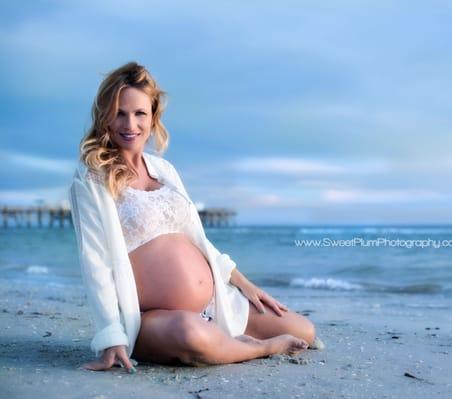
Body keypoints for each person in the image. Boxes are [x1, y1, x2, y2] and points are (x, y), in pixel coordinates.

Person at [69, 62, 317, 373]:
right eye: (120, 112)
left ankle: (225, 341)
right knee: (191, 334)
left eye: (139, 113)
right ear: (106, 115)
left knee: (303, 330)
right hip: (153, 319)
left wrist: (244, 284)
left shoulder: (164, 170)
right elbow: (95, 261)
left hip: (216, 304)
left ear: (153, 117)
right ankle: (258, 349)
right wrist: (111, 337)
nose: (129, 124)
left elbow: (196, 239)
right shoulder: (92, 178)